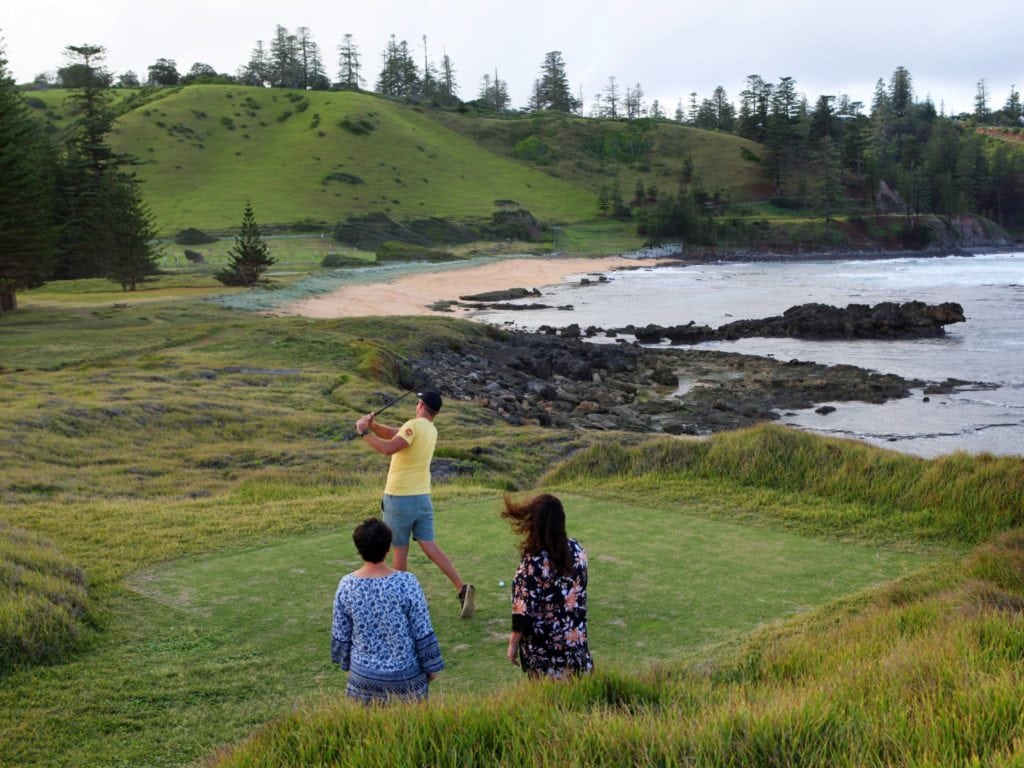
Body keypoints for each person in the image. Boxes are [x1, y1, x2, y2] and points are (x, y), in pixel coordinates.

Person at [355, 390, 475, 618]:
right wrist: (374, 425)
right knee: (429, 546)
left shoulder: (413, 425)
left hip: (400, 498)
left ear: (420, 404)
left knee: (400, 549)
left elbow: (388, 448)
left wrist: (363, 432)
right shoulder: (430, 429)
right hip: (422, 498)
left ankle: (399, 603)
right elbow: (395, 434)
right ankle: (461, 588)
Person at [331, 517, 444, 704]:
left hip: (363, 680)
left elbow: (341, 634)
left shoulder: (347, 585)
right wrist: (431, 668)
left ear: (358, 548)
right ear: (389, 546)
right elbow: (422, 630)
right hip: (407, 680)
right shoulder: (407, 582)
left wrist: (349, 666)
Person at [502, 493, 594, 678]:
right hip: (576, 648)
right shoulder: (577, 550)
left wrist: (512, 644)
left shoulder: (533, 564)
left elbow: (523, 613)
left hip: (544, 656)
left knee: (550, 703)